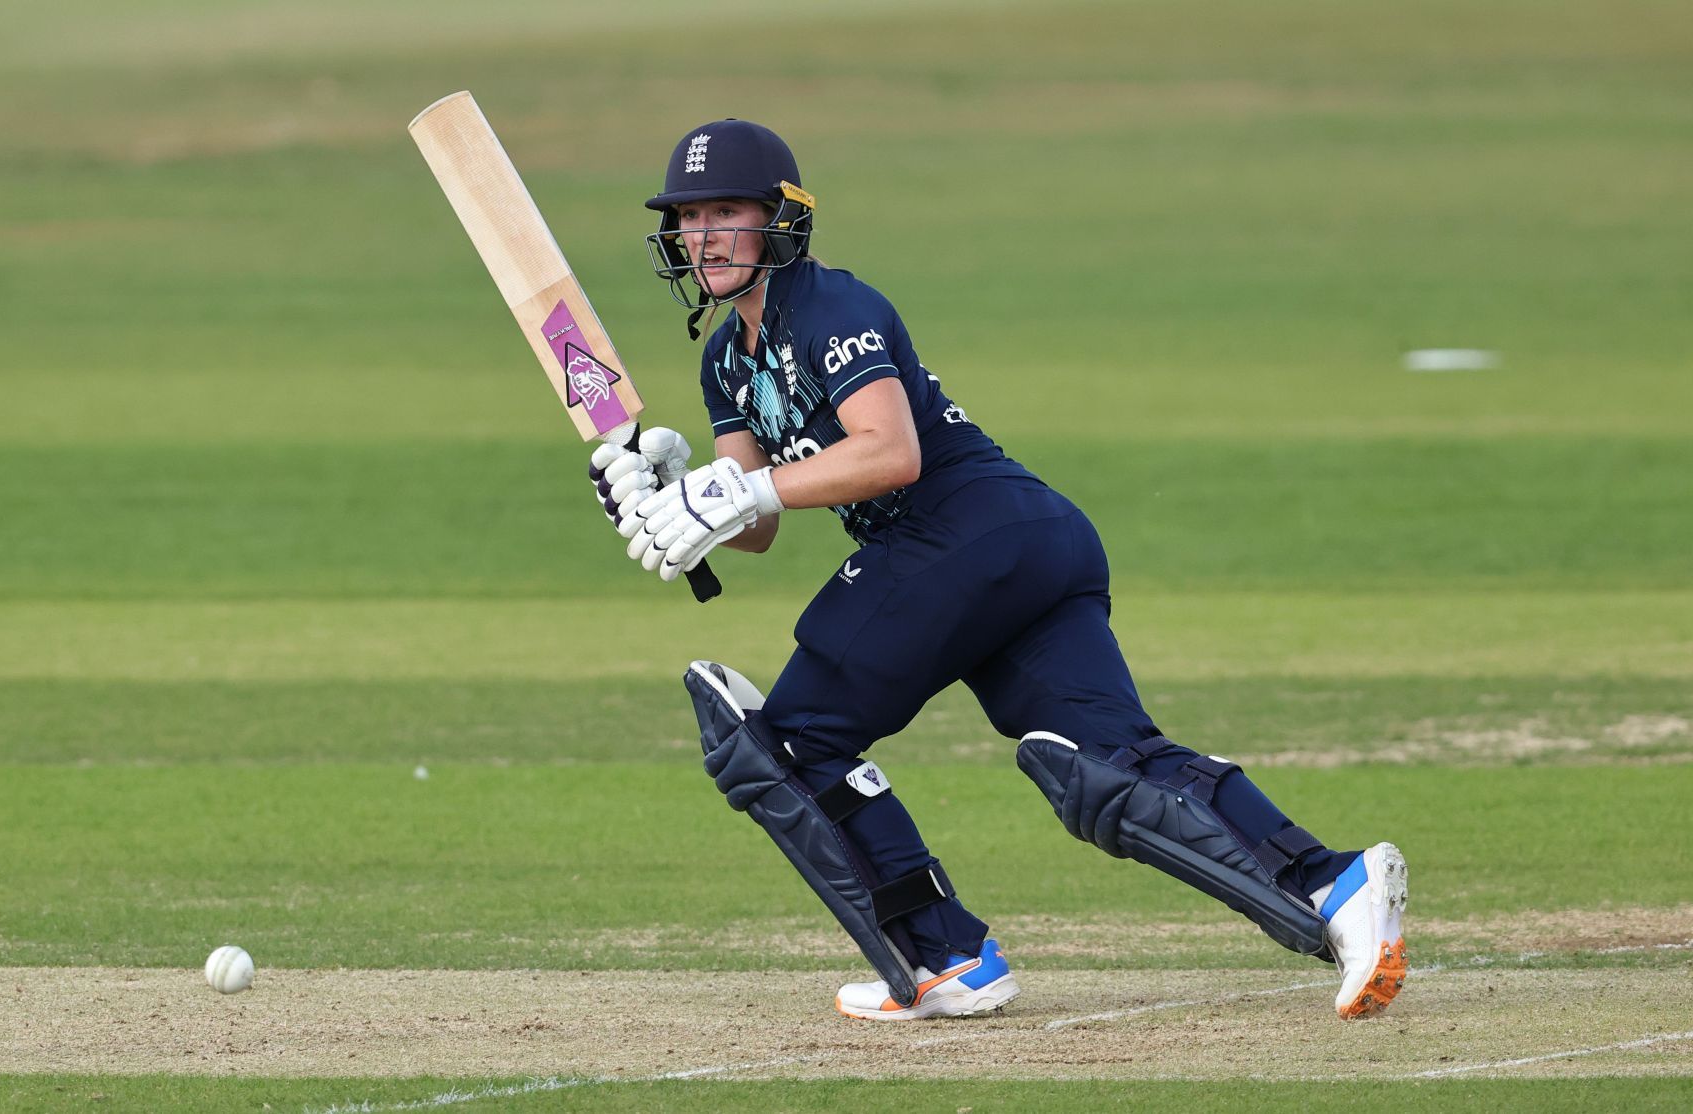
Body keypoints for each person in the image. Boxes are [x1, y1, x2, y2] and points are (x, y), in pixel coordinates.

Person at [588, 119, 1408, 1022]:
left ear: (782, 219)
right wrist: (673, 490)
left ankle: (945, 956)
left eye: (726, 211)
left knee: (788, 744)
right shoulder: (725, 363)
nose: (704, 234)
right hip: (1020, 545)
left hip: (961, 530)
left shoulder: (832, 307)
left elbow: (888, 453)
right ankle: (1335, 882)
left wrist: (739, 495)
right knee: (1105, 768)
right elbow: (754, 524)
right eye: (690, 216)